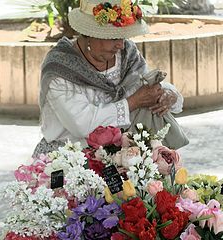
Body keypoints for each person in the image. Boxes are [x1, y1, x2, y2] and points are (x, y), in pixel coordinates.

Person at [32, 0, 186, 157]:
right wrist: (133, 102)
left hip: (124, 156)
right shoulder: (60, 67)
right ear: (90, 35)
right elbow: (82, 125)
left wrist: (167, 94)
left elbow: (145, 84)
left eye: (123, 37)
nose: (120, 45)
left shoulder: (127, 55)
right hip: (70, 159)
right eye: (113, 38)